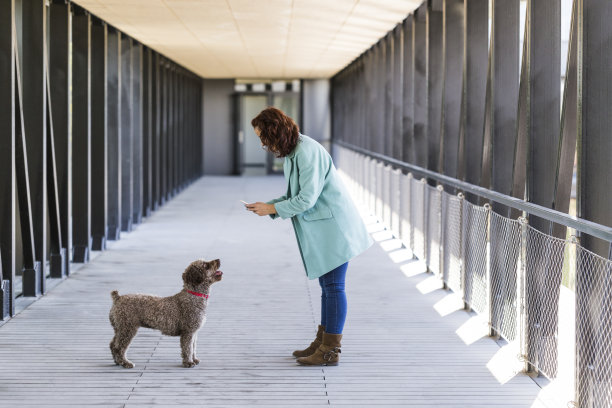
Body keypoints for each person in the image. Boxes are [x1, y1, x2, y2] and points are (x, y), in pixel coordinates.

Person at [244, 107, 372, 366]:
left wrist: (273, 209)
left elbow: (306, 198)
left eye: (263, 137)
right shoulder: (295, 152)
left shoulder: (306, 152)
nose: (262, 144)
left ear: (274, 132)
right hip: (326, 229)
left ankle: (329, 351)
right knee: (328, 288)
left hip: (334, 230)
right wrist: (267, 205)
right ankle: (322, 343)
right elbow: (295, 194)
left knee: (334, 287)